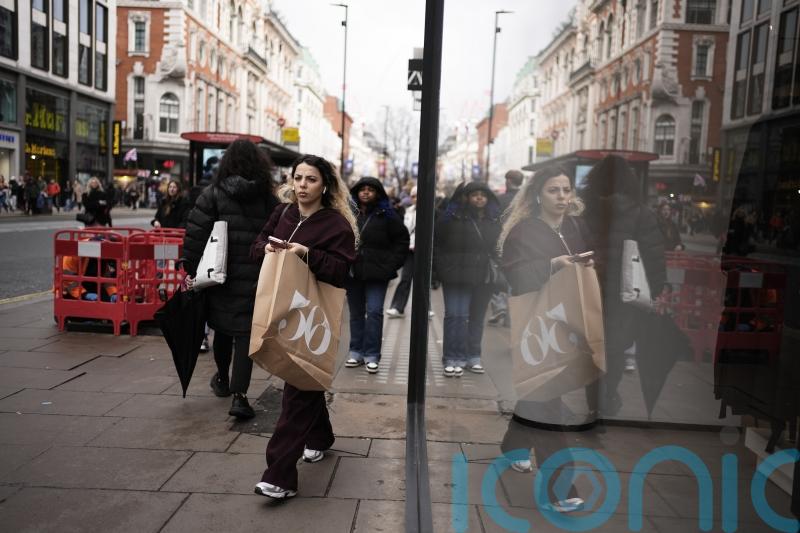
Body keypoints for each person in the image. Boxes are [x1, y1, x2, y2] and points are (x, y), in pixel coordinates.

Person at [250, 154, 357, 500]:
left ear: (325, 185)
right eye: (298, 178)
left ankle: (279, 475)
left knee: (298, 388)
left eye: (310, 179)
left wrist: (304, 253)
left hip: (314, 320)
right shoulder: (284, 213)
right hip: (282, 311)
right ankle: (320, 437)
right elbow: (255, 248)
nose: (301, 186)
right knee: (306, 382)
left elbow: (342, 271)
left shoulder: (336, 224)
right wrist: (268, 248)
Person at [182, 140, 281, 419]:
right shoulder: (268, 198)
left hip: (219, 276)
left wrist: (189, 267)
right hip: (255, 275)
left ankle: (223, 379)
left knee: (222, 329)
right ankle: (240, 396)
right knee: (245, 334)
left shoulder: (212, 194)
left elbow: (196, 233)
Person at [581, 155, 666, 415]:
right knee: (615, 348)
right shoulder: (641, 213)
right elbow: (653, 253)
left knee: (592, 346)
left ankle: (595, 400)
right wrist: (658, 287)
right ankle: (606, 395)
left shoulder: (584, 208)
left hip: (590, 286)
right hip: (625, 291)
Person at [433, 181, 502, 377]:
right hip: (456, 274)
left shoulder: (494, 219)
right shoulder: (451, 218)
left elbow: (500, 247)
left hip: (483, 275)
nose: (479, 198)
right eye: (475, 195)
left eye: (483, 195)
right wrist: (441, 269)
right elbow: (437, 242)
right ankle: (452, 357)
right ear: (466, 198)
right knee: (456, 315)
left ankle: (473, 356)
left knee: (477, 318)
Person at [344, 176, 409, 373]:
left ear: (377, 193)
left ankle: (372, 354)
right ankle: (356, 351)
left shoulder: (388, 215)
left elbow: (402, 241)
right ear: (356, 192)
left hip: (377, 274)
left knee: (374, 312)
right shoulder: (347, 213)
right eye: (362, 189)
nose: (365, 192)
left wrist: (390, 266)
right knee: (356, 314)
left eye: (370, 189)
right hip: (353, 271)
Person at [386, 186, 434, 319]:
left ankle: (426, 309)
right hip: (410, 251)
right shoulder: (407, 212)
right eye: (413, 196)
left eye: (419, 195)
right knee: (405, 279)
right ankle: (397, 307)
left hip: (424, 252)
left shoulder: (431, 212)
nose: (416, 199)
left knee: (423, 280)